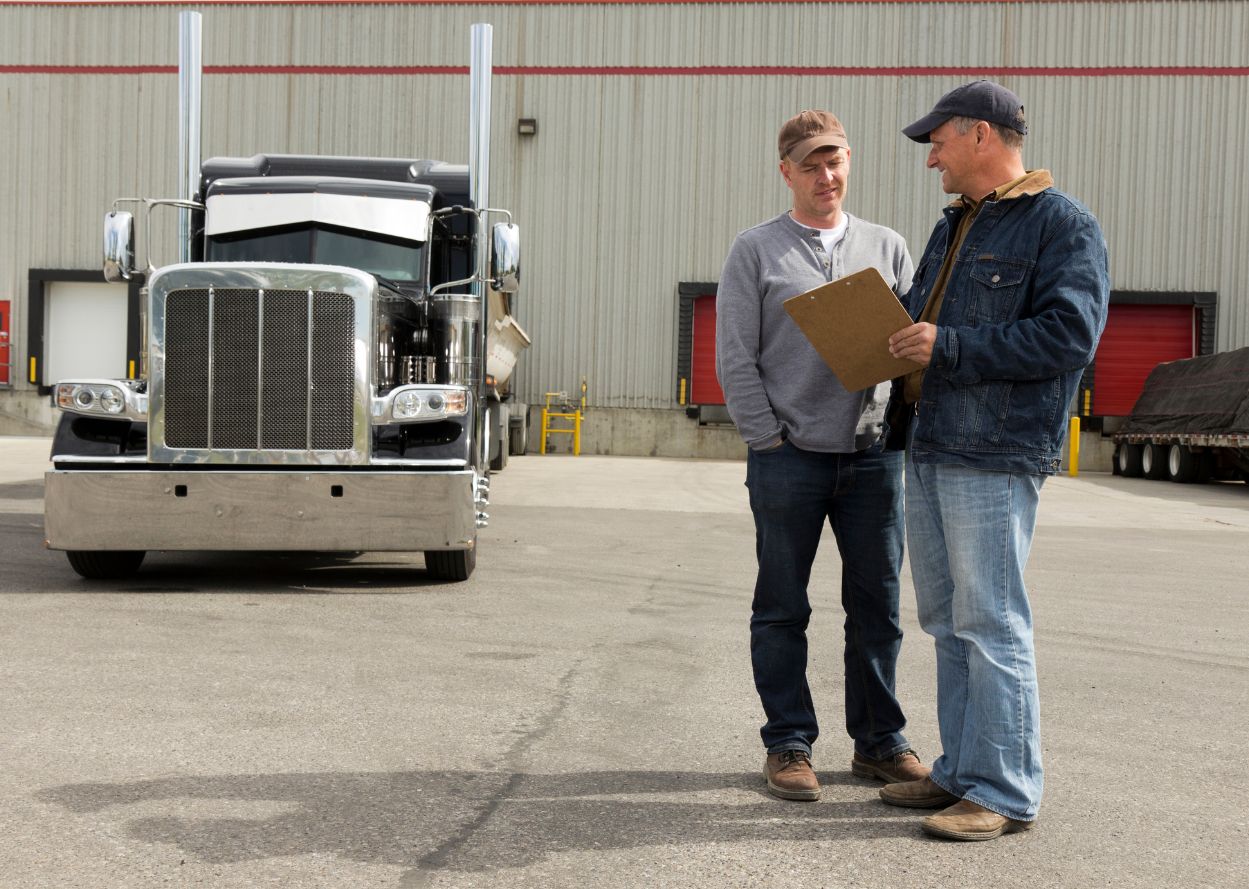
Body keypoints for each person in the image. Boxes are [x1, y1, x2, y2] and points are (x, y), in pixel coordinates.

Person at [882, 81, 1109, 840]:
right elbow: (926, 322)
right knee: (948, 621)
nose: (930, 160)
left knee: (991, 622)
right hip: (930, 442)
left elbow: (1067, 338)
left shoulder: (1061, 225)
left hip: (992, 450)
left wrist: (945, 345)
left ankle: (1005, 790)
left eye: (936, 141)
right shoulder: (955, 227)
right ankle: (960, 772)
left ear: (980, 135)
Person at [716, 110, 929, 802]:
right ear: (786, 172)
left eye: (834, 161)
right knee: (781, 606)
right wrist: (767, 436)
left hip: (871, 458)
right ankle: (788, 742)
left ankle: (878, 742)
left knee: (878, 606)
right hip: (788, 459)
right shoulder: (755, 251)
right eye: (809, 164)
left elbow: (909, 348)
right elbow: (735, 358)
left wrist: (894, 426)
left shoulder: (887, 246)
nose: (825, 175)